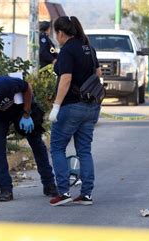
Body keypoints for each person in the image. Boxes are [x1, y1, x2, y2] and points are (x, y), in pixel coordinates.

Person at [0, 76, 58, 202]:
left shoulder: (5, 85)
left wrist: (26, 113)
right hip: (0, 116)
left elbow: (27, 87)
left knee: (36, 141)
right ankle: (6, 190)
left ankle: (49, 184)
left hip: (20, 108)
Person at [47, 16, 102, 207]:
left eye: (57, 34)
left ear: (61, 33)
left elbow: (66, 79)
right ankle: (86, 194)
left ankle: (63, 192)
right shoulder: (89, 47)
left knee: (57, 147)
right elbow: (98, 74)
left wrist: (56, 106)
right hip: (91, 106)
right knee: (84, 150)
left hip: (71, 106)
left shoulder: (68, 50)